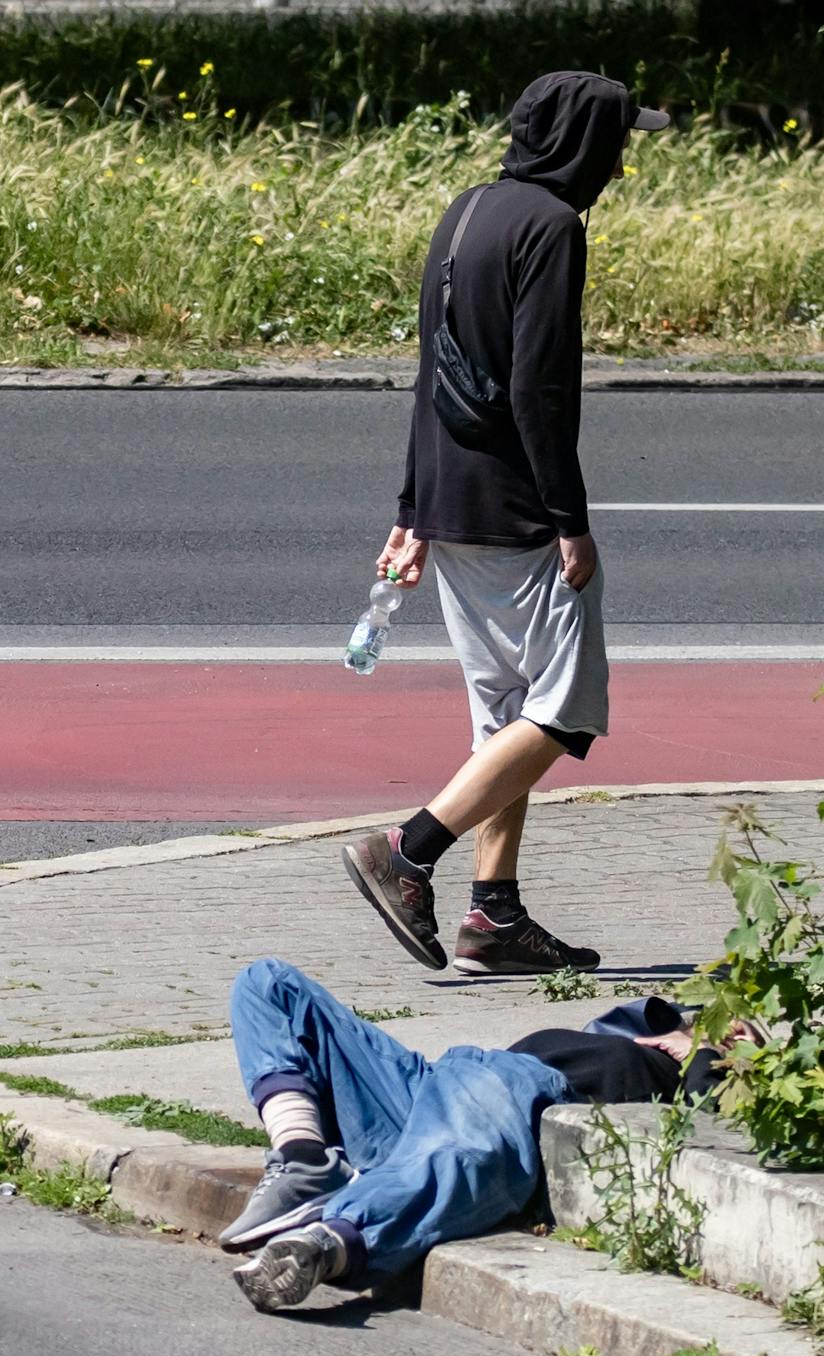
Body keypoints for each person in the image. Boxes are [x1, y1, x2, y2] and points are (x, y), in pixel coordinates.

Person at [346, 72, 671, 978]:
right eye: (617, 141)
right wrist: (570, 520)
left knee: (504, 717)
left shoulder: (467, 209)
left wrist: (412, 510)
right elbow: (539, 388)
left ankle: (494, 916)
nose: (621, 159)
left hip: (453, 502)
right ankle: (406, 852)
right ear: (582, 144)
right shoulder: (553, 227)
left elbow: (429, 371)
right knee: (562, 715)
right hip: (521, 509)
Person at [218, 957, 734, 1313]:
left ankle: (329, 1244)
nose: (731, 1032)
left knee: (452, 1158)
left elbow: (706, 1131)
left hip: (518, 1098)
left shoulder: (699, 1071)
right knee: (268, 983)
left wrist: (710, 1057)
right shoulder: (640, 1031)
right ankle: (304, 1157)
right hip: (446, 1080)